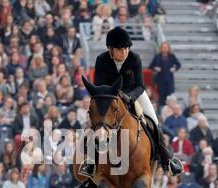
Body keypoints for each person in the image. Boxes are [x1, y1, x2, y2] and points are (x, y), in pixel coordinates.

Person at [78, 27, 183, 179]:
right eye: (120, 49)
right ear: (110, 49)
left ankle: (167, 159)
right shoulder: (101, 60)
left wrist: (128, 97)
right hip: (109, 97)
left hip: (134, 94)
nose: (124, 52)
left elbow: (140, 85)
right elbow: (99, 86)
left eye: (126, 48)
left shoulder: (134, 58)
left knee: (153, 119)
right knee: (95, 124)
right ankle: (91, 162)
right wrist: (114, 97)